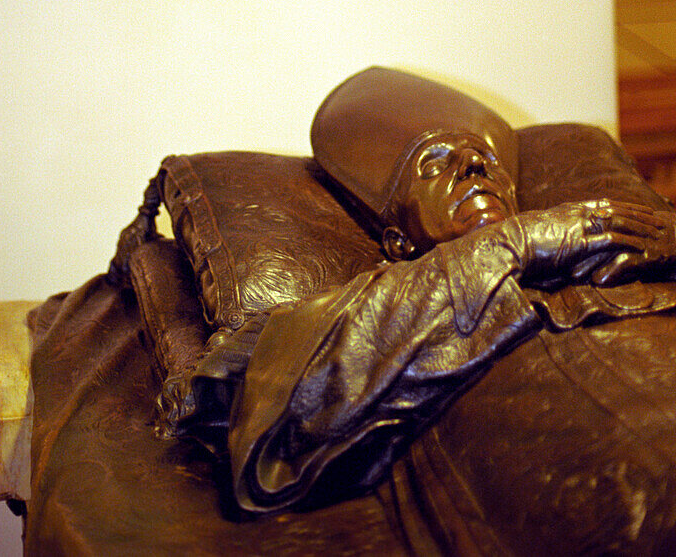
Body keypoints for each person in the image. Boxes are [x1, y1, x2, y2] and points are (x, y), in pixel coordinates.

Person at [168, 68, 676, 514]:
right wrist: (515, 244)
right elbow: (284, 425)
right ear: (397, 240)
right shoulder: (362, 307)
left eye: (484, 160)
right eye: (434, 165)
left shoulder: (604, 252)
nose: (474, 168)